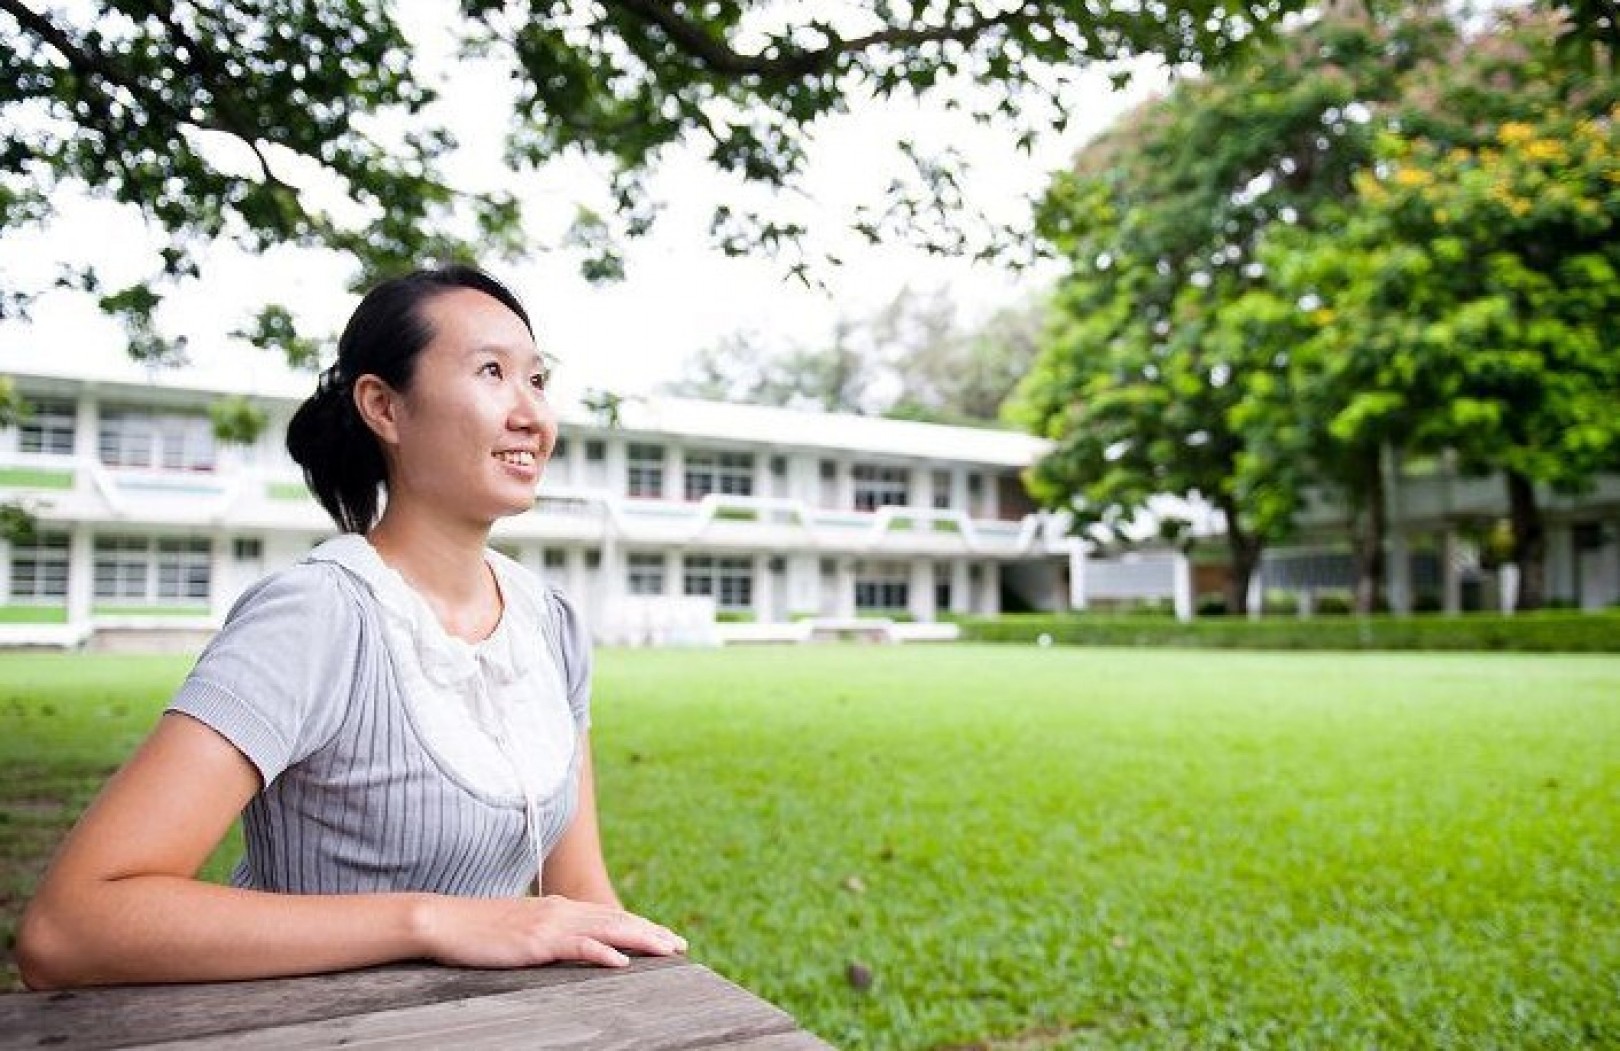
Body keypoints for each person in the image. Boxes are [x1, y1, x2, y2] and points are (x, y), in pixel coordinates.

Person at [17, 265, 685, 989]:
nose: (532, 414)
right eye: (491, 372)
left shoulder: (550, 626)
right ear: (384, 407)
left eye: (538, 380)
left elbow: (582, 897)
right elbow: (70, 924)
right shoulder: (317, 616)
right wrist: (432, 920)